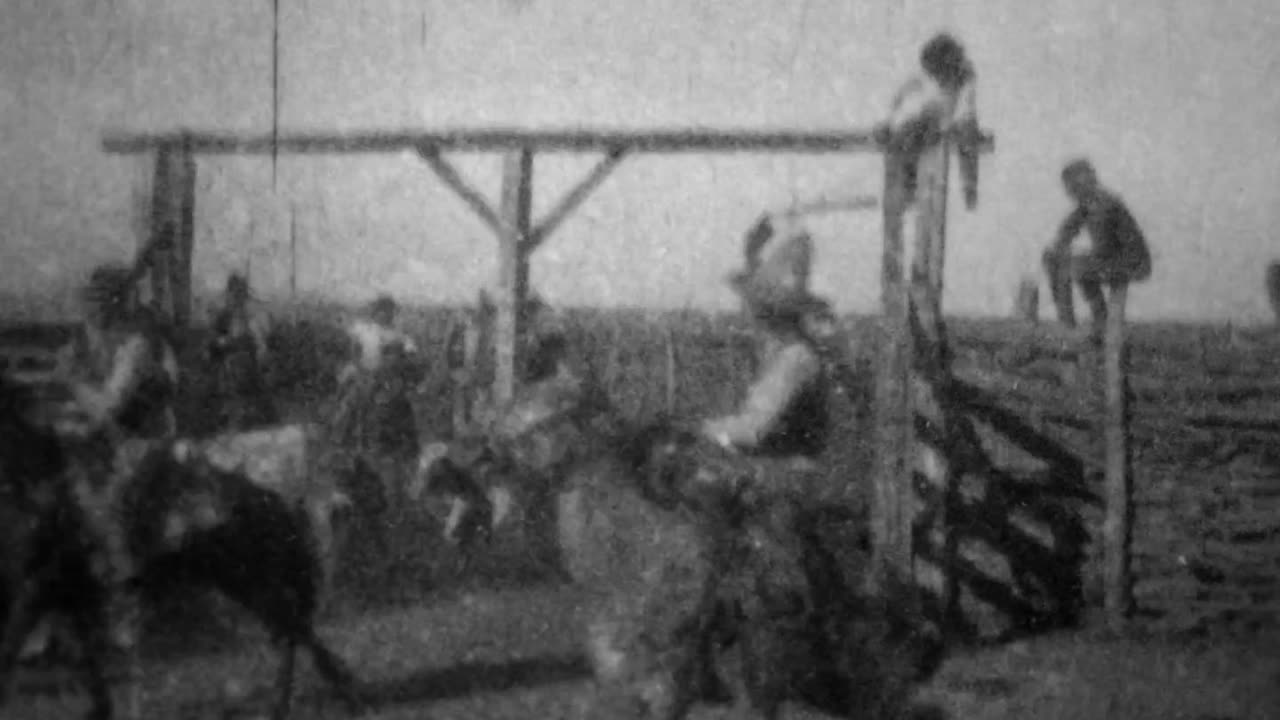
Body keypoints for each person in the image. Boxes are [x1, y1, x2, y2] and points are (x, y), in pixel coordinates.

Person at [54, 262, 181, 653]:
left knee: (111, 508)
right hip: (107, 441)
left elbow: (110, 405)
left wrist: (73, 384)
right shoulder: (94, 341)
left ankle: (130, 610)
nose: (89, 310)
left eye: (97, 302)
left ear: (114, 304)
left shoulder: (135, 344)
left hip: (144, 442)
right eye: (88, 302)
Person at [1041, 158, 1152, 344]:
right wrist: (1059, 249)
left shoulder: (1104, 205)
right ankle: (1073, 324)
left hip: (1131, 263)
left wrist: (1069, 255)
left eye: (1073, 186)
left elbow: (1103, 249)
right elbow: (1066, 231)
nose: (1070, 192)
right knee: (1058, 261)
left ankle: (1084, 325)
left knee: (1078, 268)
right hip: (1115, 260)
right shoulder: (1088, 204)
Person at [332, 294, 422, 510]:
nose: (384, 315)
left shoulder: (399, 334)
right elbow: (353, 350)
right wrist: (358, 367)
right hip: (366, 375)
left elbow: (410, 356)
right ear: (375, 312)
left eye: (388, 311)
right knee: (349, 404)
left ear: (392, 313)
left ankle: (395, 456)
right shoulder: (365, 330)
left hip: (389, 379)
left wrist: (400, 365)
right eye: (380, 310)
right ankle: (343, 440)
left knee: (393, 406)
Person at [875, 32, 981, 211]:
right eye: (935, 73)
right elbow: (899, 96)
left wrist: (957, 123)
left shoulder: (964, 77)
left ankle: (969, 190)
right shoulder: (922, 76)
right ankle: (908, 186)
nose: (939, 78)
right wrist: (888, 120)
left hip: (947, 122)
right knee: (908, 135)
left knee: (967, 133)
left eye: (941, 74)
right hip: (924, 119)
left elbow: (967, 106)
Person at [207, 272, 277, 430]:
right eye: (235, 293)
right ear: (230, 293)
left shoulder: (250, 317)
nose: (238, 298)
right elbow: (213, 342)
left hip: (249, 368)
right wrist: (227, 342)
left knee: (256, 407)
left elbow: (260, 344)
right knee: (231, 408)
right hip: (229, 368)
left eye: (241, 294)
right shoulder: (223, 316)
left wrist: (258, 348)